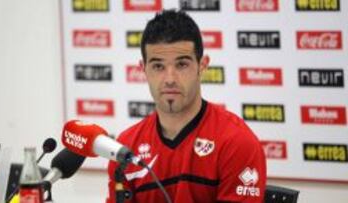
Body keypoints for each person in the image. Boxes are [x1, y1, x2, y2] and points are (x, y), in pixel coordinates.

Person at [107, 9, 266, 203]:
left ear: (202, 65)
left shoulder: (236, 141)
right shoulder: (126, 148)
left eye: (182, 65)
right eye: (158, 66)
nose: (170, 79)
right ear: (143, 69)